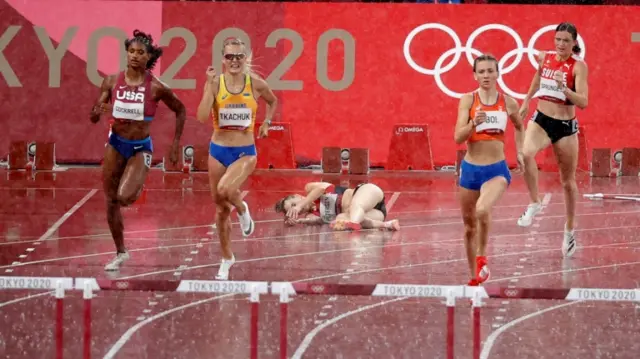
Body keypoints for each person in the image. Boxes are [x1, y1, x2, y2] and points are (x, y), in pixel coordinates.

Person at [90, 30, 186, 271]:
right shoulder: (111, 81)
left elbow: (180, 110)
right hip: (116, 144)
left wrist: (175, 144)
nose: (134, 56)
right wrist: (96, 110)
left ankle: (138, 178)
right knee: (111, 200)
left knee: (125, 197)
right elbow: (94, 115)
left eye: (140, 53)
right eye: (131, 51)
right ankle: (121, 251)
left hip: (139, 147)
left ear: (149, 56)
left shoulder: (156, 87)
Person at [196, 38, 278, 280]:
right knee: (221, 209)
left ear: (246, 58)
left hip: (245, 151)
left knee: (225, 189)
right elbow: (201, 116)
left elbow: (273, 102)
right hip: (218, 150)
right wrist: (207, 87)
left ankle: (242, 209)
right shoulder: (215, 84)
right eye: (229, 57)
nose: (234, 61)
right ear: (223, 60)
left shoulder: (256, 84)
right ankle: (226, 258)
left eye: (238, 57)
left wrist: (267, 123)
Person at [516, 22, 588, 258]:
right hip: (542, 119)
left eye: (566, 41)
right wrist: (526, 101)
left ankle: (569, 231)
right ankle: (535, 202)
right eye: (558, 39)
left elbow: (583, 102)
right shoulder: (544, 57)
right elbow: (537, 79)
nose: (560, 44)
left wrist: (564, 88)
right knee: (526, 154)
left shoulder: (578, 67)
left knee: (567, 182)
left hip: (566, 127)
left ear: (574, 43)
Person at [454, 54, 524, 286]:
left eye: (490, 71)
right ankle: (474, 277)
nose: (485, 75)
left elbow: (519, 126)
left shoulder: (508, 102)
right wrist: (474, 123)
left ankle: (482, 258)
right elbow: (457, 137)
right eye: (481, 71)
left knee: (483, 210)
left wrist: (521, 152)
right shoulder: (468, 100)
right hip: (470, 170)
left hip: (496, 170)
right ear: (475, 75)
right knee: (468, 228)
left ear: (497, 73)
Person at [274, 182, 400, 231]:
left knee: (356, 205)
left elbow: (321, 189)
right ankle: (388, 224)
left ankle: (353, 223)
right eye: (292, 211)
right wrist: (299, 220)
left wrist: (301, 204)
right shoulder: (311, 215)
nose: (297, 209)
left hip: (366, 193)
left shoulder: (309, 189)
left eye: (293, 204)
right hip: (376, 213)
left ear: (297, 196)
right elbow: (319, 220)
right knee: (339, 218)